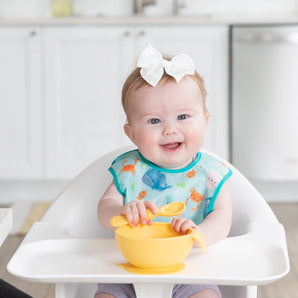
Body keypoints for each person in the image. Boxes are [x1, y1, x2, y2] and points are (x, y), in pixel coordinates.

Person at [95, 45, 232, 298]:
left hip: (190, 268)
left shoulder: (211, 174)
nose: (170, 129)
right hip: (129, 268)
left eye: (183, 116)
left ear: (205, 121)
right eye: (154, 121)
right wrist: (121, 211)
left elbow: (223, 219)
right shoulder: (129, 169)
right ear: (132, 133)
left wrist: (197, 233)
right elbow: (104, 212)